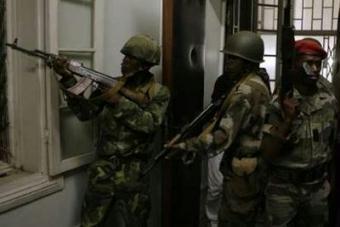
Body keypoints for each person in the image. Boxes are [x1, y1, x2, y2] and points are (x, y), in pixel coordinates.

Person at [53, 34, 170, 227]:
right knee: (91, 223)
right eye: (124, 57)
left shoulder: (159, 92)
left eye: (130, 58)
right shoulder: (111, 84)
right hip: (102, 170)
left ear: (144, 64)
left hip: (134, 173)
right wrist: (67, 78)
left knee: (135, 222)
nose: (123, 61)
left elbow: (150, 124)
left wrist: (119, 102)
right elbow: (85, 113)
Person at [169, 31, 271, 227]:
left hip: (244, 174)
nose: (228, 63)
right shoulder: (252, 84)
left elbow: (222, 136)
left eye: (234, 59)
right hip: (249, 170)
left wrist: (186, 146)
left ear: (248, 62)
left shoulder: (246, 91)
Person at [261, 38, 338, 227]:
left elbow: (333, 141)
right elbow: (268, 152)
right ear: (295, 63)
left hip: (317, 188)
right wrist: (287, 119)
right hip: (284, 189)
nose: (315, 69)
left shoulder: (328, 96)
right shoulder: (280, 101)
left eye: (318, 63)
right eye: (308, 63)